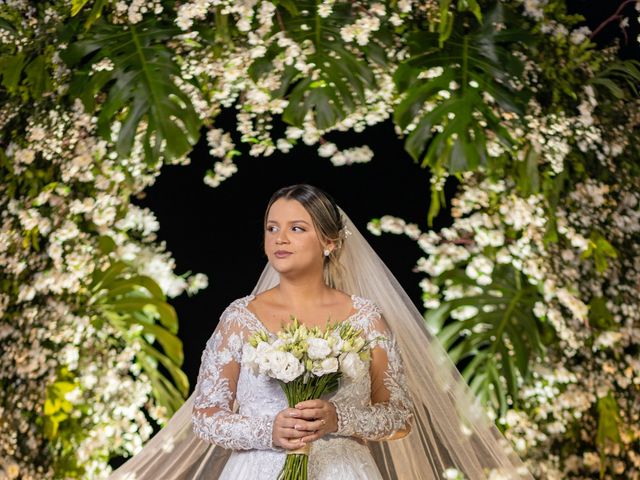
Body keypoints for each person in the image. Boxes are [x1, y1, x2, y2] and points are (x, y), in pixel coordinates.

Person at [109, 184, 533, 480]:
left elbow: (400, 416)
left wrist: (338, 418)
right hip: (256, 470)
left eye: (297, 228)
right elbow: (205, 416)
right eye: (272, 227)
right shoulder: (240, 318)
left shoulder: (365, 319)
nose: (280, 238)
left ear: (329, 242)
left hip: (344, 471)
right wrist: (267, 431)